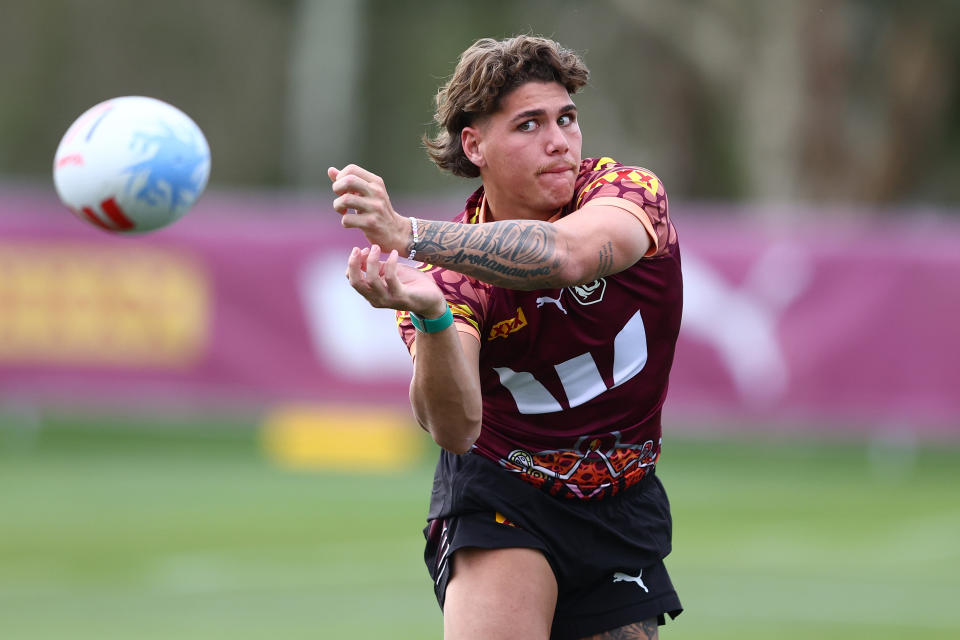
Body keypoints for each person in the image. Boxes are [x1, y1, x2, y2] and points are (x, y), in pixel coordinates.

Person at [328, 35, 683, 640]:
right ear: (475, 144)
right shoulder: (447, 276)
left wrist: (408, 231)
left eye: (566, 118)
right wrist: (434, 318)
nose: (559, 141)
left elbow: (566, 256)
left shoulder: (626, 192)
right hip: (505, 495)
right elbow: (455, 429)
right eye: (528, 124)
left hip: (622, 495)